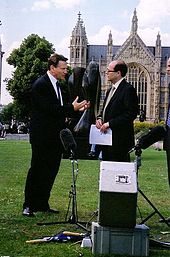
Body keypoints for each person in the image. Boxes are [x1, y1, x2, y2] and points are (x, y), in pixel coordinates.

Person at [23, 53, 89, 217]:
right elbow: (50, 109)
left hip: (55, 137)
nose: (66, 71)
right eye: (63, 68)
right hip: (42, 137)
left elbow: (59, 112)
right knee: (37, 170)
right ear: (52, 68)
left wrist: (74, 110)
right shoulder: (41, 85)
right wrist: (71, 109)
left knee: (51, 170)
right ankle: (28, 205)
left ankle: (42, 203)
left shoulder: (58, 85)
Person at [96, 60, 138, 162]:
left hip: (120, 141)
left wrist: (109, 124)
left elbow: (131, 114)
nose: (106, 73)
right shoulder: (110, 90)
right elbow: (105, 109)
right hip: (106, 140)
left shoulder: (128, 89)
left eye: (109, 71)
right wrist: (100, 118)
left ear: (118, 73)